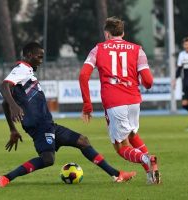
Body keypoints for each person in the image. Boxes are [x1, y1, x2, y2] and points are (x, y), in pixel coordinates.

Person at [0, 42, 136, 187]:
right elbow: (4, 86)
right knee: (48, 159)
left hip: (48, 124)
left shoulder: (26, 73)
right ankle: (6, 178)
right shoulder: (22, 69)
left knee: (83, 141)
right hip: (39, 125)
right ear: (29, 55)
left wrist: (12, 128)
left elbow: (5, 102)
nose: (41, 60)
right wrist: (15, 106)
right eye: (39, 56)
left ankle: (117, 174)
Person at [79, 16, 160, 184]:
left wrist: (87, 105)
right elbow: (149, 81)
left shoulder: (98, 49)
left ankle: (146, 159)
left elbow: (83, 76)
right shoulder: (137, 49)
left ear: (107, 34)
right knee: (132, 134)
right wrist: (142, 83)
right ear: (123, 33)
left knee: (121, 147)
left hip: (115, 101)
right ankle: (150, 174)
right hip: (134, 100)